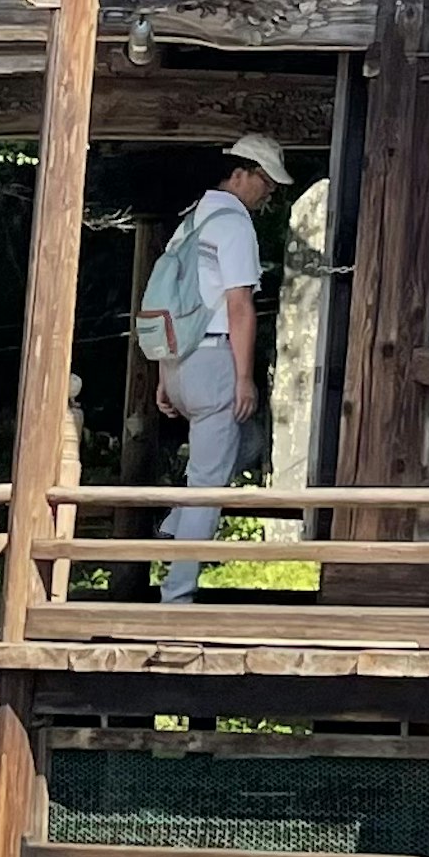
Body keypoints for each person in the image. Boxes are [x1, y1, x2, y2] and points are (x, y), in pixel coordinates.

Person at [144, 132, 289, 602]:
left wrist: (166, 378)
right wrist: (244, 377)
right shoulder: (233, 223)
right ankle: (177, 594)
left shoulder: (190, 221)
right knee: (208, 483)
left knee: (244, 444)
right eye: (265, 182)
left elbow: (170, 301)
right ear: (242, 174)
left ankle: (173, 524)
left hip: (179, 363)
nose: (268, 193)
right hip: (214, 360)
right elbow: (240, 305)